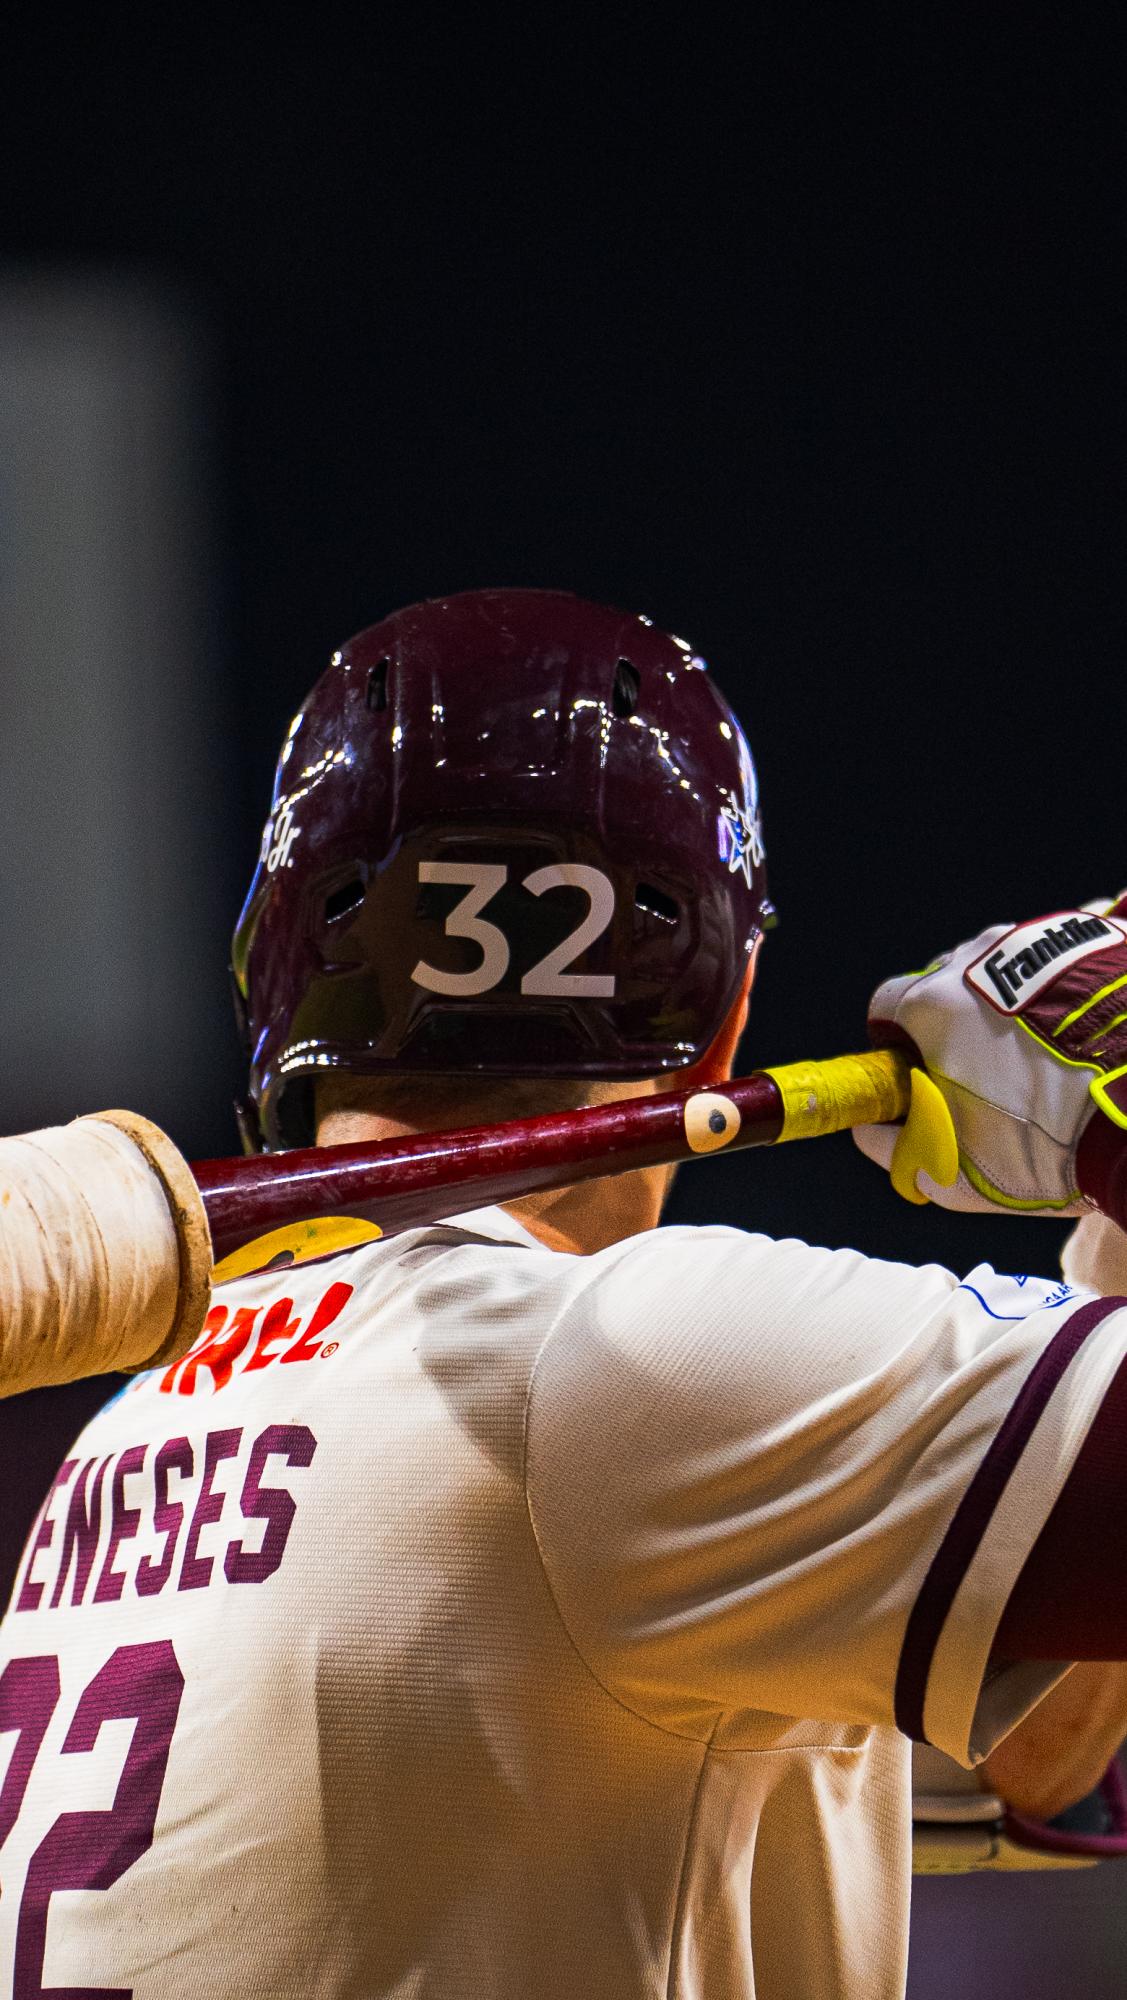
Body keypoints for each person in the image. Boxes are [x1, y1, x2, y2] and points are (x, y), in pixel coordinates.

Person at [2, 586, 1127, 1999]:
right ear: (725, 1004)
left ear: (277, 971)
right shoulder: (624, 1363)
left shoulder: (124, 1439)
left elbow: (1030, 1745)